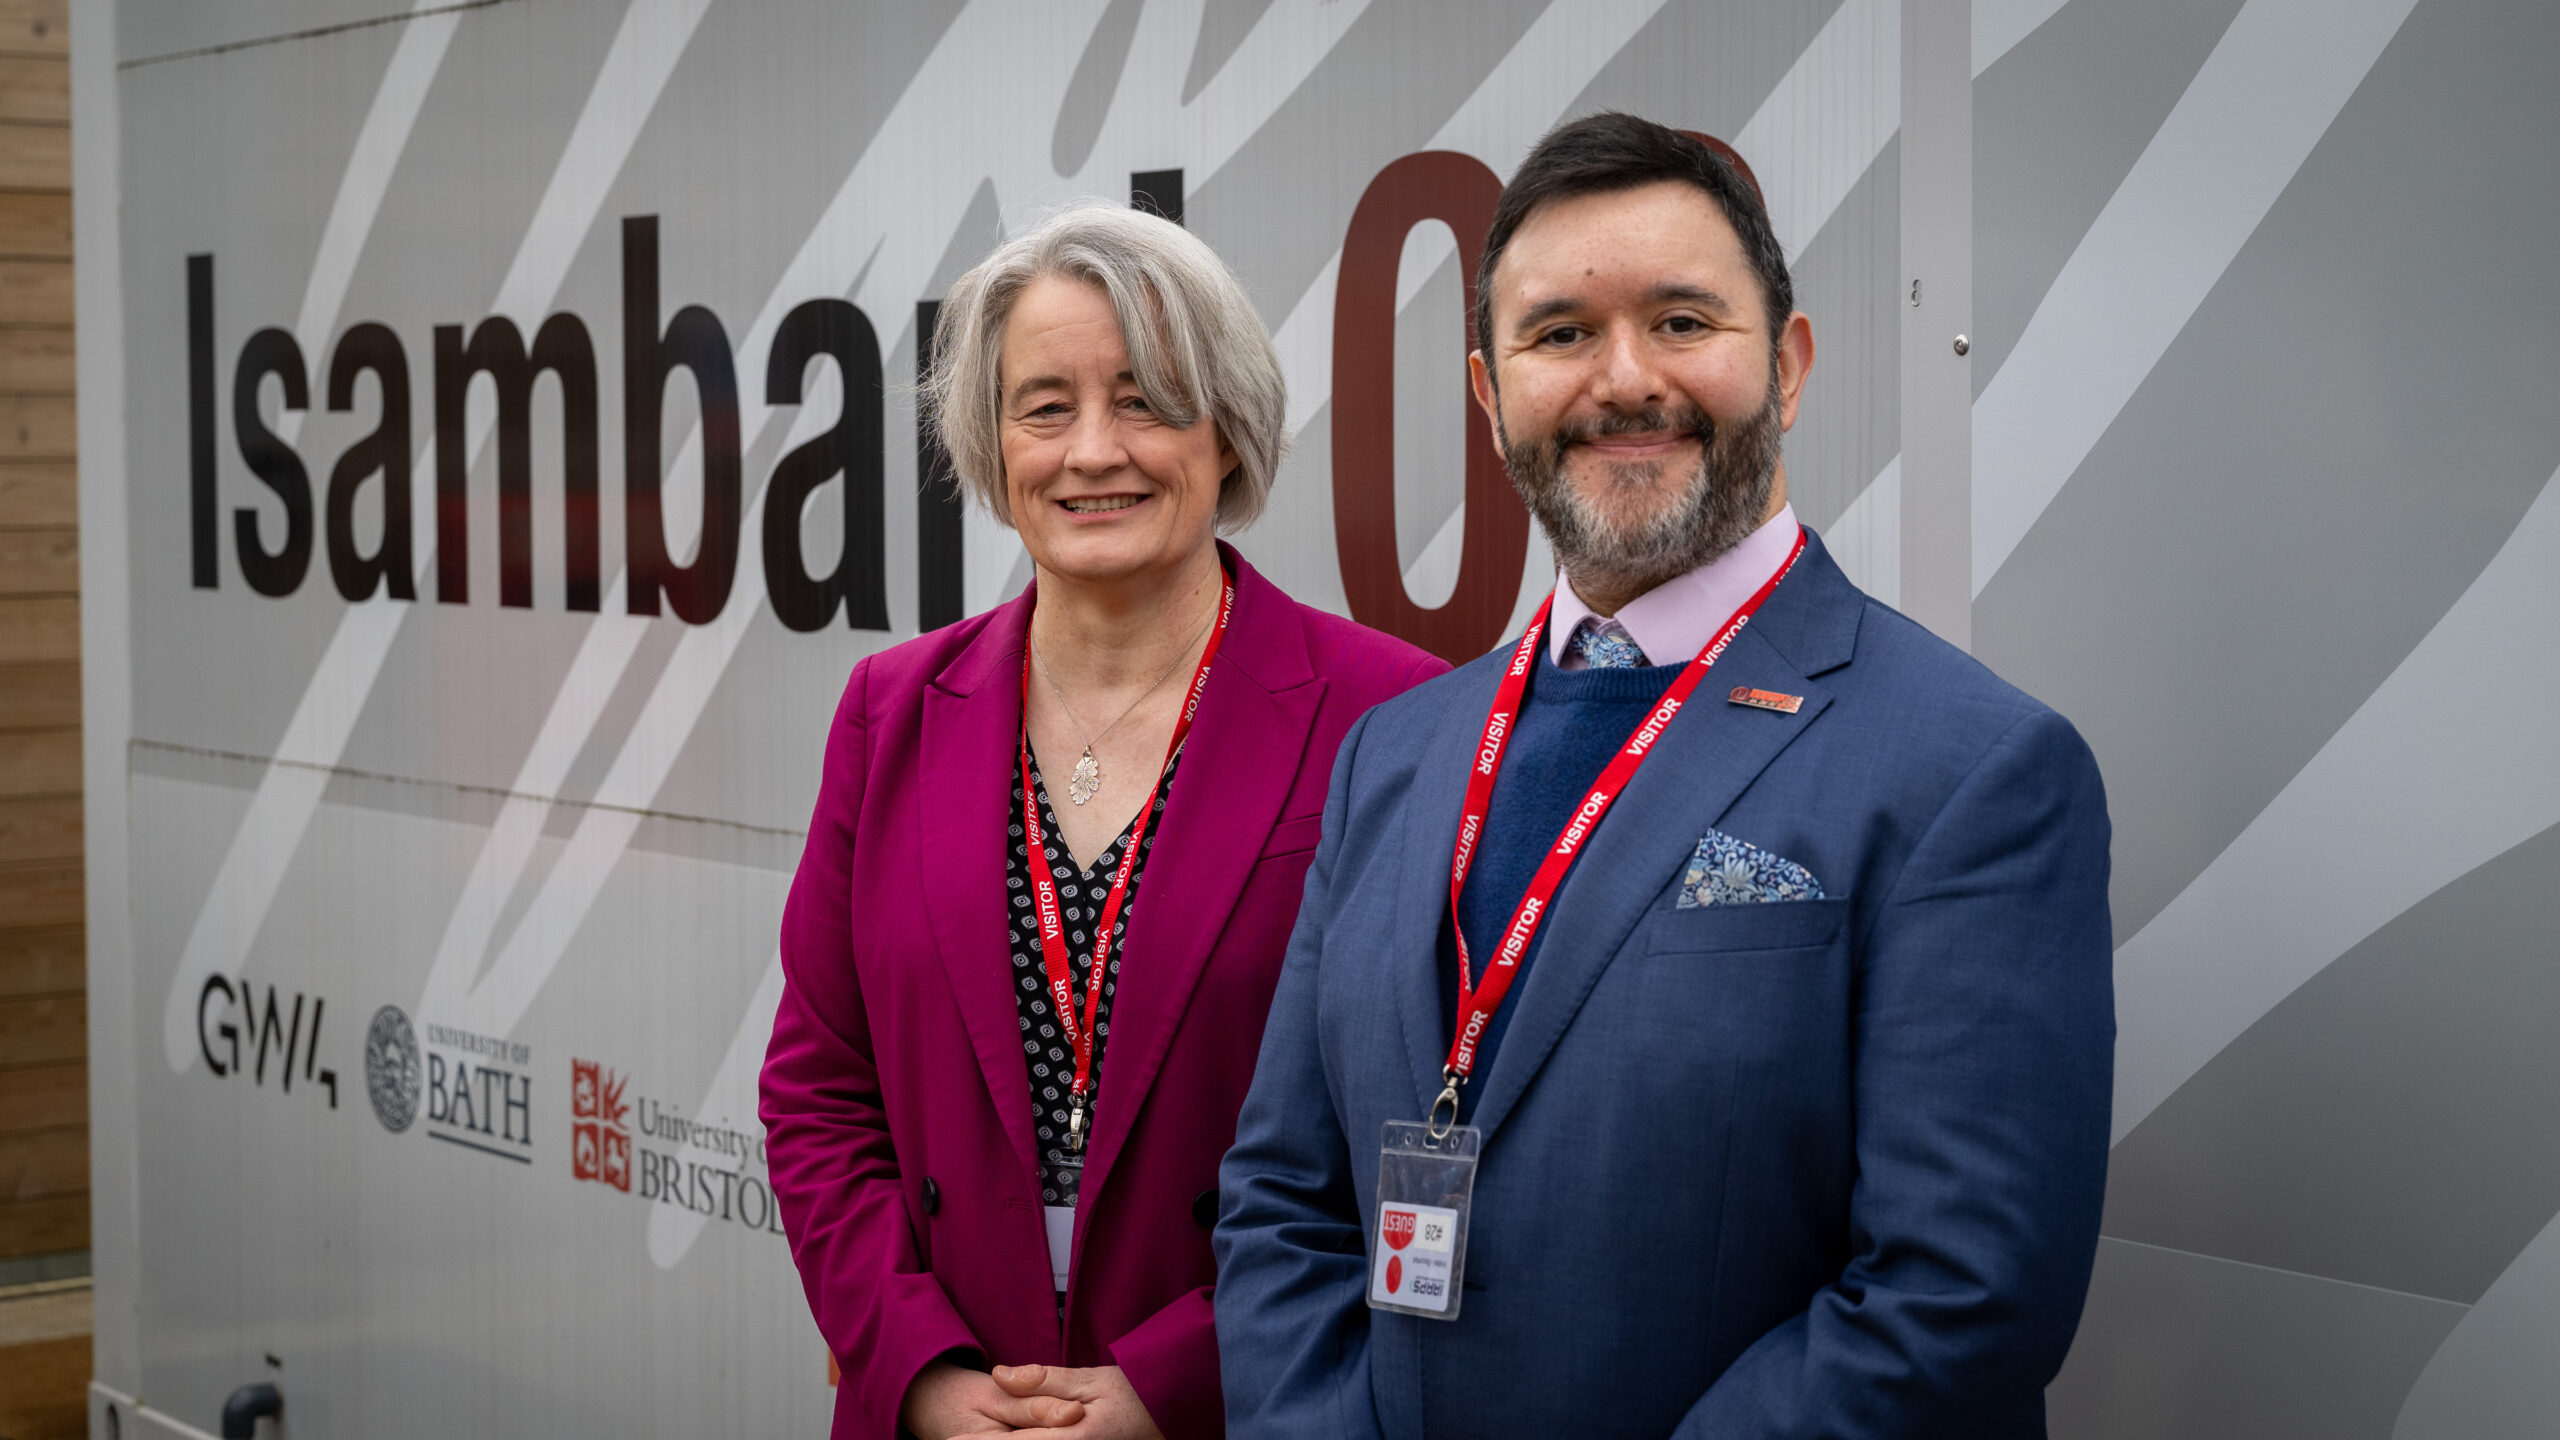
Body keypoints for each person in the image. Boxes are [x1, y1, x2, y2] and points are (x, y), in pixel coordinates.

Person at [1214, 113, 2113, 1438]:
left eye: (1684, 322)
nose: (1623, 379)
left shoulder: (1973, 771)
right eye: (1560, 333)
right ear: (1489, 393)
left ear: (1791, 366)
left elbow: (1959, 1297)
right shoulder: (1394, 758)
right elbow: (1282, 1201)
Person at [761, 202, 1445, 1440]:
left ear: (1227, 432)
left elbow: (1417, 1127)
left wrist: (1180, 1379)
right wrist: (918, 1370)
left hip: (1255, 1400)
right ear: (990, 440)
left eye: (1144, 400)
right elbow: (819, 1089)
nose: (1091, 451)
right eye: (1044, 406)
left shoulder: (1390, 715)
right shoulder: (890, 711)